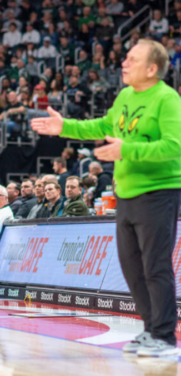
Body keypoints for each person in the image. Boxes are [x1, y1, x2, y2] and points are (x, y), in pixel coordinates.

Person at [31, 39, 181, 357]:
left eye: (133, 59)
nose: (124, 63)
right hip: (126, 194)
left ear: (152, 69)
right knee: (131, 267)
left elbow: (174, 146)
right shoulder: (126, 95)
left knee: (155, 266)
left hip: (158, 192)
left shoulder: (167, 99)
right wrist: (64, 127)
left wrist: (125, 149)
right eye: (125, 57)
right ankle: (151, 329)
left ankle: (165, 337)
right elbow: (102, 125)